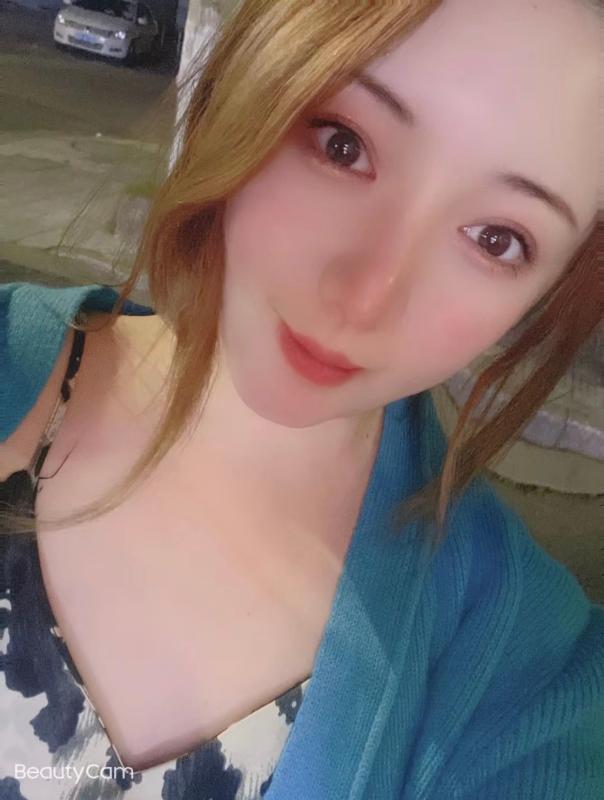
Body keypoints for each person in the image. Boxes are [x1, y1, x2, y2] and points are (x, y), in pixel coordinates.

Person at [1, 0, 602, 797]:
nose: (363, 299)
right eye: (342, 144)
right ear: (253, 78)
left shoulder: (529, 676)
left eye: (498, 240)